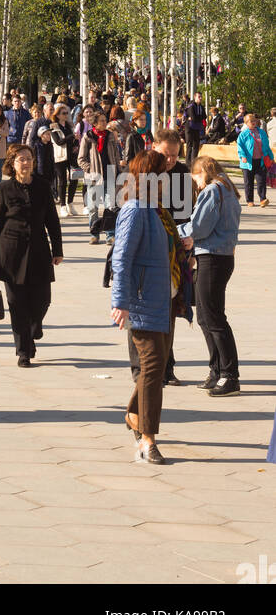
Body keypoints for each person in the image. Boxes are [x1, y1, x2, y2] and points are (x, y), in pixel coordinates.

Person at [110, 151, 173, 464]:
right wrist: (120, 302)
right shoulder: (134, 209)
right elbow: (121, 259)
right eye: (162, 173)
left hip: (161, 300)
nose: (166, 179)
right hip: (141, 302)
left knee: (157, 367)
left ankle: (135, 414)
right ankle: (148, 439)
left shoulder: (153, 208)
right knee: (151, 368)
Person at [0, 143, 63, 367]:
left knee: (43, 300)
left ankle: (34, 327)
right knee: (16, 303)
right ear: (12, 164)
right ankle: (23, 351)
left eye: (29, 158)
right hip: (11, 253)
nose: (26, 162)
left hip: (39, 251)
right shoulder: (4, 189)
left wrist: (58, 249)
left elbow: (52, 221)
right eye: (21, 159)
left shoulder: (43, 186)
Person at [182, 156, 242, 395]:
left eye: (195, 178)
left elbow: (199, 227)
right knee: (206, 317)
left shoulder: (213, 190)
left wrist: (170, 230)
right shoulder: (227, 188)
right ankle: (216, 370)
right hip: (221, 257)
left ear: (203, 171)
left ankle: (229, 375)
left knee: (213, 317)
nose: (196, 184)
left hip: (212, 257)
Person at [78, 110, 123, 245]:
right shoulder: (88, 136)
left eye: (105, 120)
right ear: (95, 123)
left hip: (110, 174)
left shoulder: (110, 136)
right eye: (102, 121)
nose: (105, 123)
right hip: (94, 177)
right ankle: (94, 234)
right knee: (93, 207)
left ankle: (110, 235)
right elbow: (81, 158)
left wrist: (118, 170)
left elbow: (116, 155)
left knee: (110, 206)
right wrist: (90, 169)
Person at [237, 112, 272, 208]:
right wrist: (243, 156)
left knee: (261, 181)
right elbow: (240, 147)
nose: (253, 122)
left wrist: (271, 157)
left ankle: (262, 199)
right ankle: (250, 200)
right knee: (248, 182)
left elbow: (266, 146)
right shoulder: (243, 134)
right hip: (248, 162)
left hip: (260, 161)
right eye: (251, 121)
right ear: (246, 123)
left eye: (254, 120)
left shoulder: (262, 132)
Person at [184, 92, 207, 167]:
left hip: (197, 127)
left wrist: (197, 117)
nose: (200, 98)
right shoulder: (191, 106)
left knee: (196, 145)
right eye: (199, 97)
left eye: (201, 97)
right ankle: (188, 163)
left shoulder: (201, 106)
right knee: (189, 145)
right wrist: (197, 118)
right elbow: (193, 118)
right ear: (195, 97)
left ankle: (194, 162)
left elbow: (204, 116)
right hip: (189, 127)